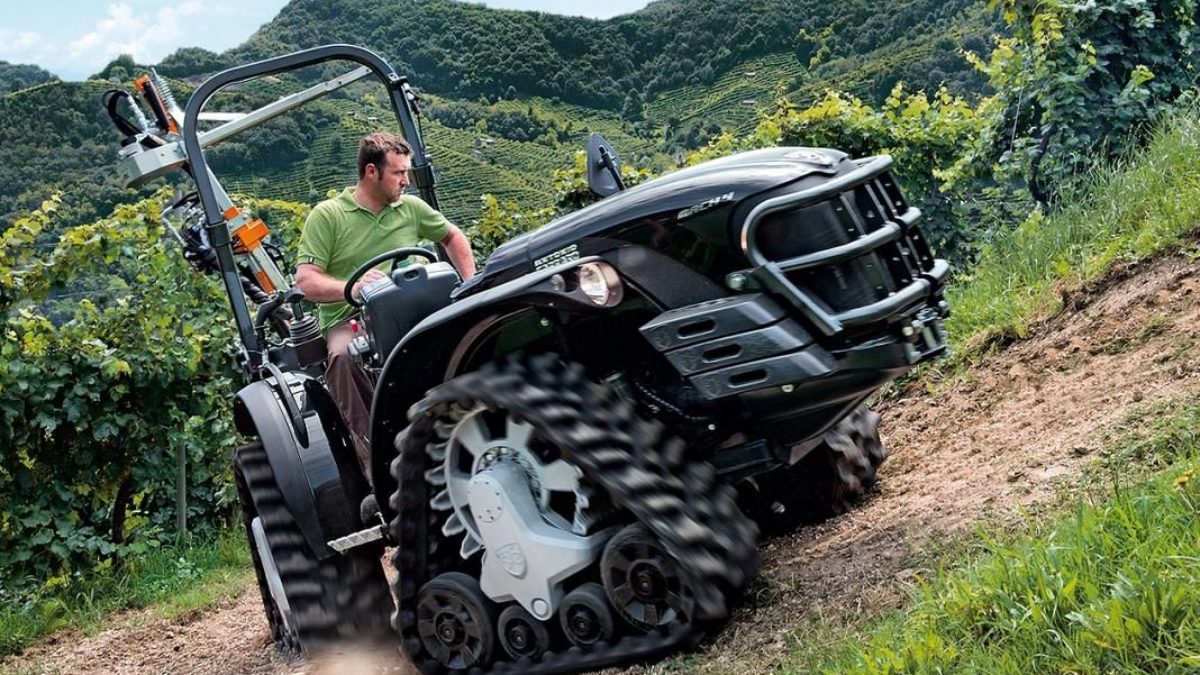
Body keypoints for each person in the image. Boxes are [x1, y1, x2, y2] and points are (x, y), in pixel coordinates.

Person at [295, 131, 476, 473]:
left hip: (415, 306)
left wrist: (470, 283)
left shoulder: (411, 209)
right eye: (398, 173)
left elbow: (453, 236)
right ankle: (377, 464)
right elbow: (306, 282)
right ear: (371, 173)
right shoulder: (329, 215)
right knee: (343, 356)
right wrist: (353, 286)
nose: (406, 181)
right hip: (353, 317)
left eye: (407, 172)